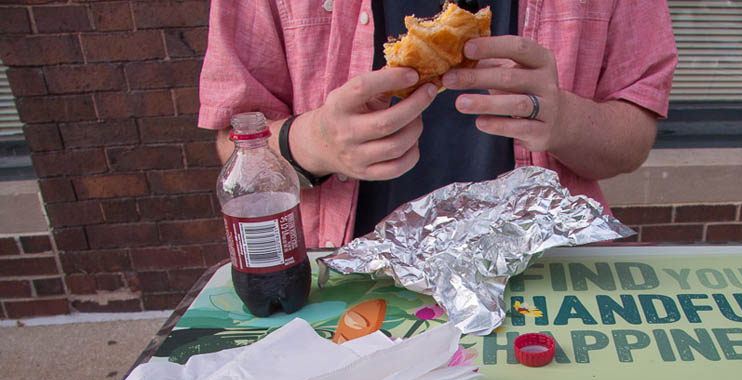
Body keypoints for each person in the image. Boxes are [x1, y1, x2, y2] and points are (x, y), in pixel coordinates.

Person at [198, 0, 677, 248]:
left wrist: (567, 119)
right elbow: (234, 137)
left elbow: (632, 143)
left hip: (546, 283)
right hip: (344, 288)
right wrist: (315, 143)